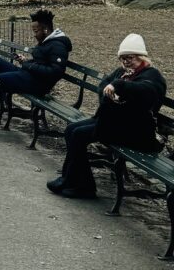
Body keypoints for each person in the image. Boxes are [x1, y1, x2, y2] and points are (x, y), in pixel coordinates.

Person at [47, 33, 167, 199]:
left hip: (136, 132)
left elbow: (147, 91)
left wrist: (119, 86)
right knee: (71, 129)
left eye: (130, 58)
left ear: (141, 57)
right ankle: (72, 179)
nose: (125, 62)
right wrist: (110, 94)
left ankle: (82, 186)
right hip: (115, 123)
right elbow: (104, 85)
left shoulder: (151, 75)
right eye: (122, 58)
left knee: (78, 135)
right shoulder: (122, 72)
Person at [0, 9, 72, 138]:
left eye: (36, 31)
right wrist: (26, 61)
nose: (34, 35)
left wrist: (29, 65)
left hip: (36, 84)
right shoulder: (48, 42)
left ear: (46, 30)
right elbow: (41, 62)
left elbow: (55, 72)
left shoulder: (58, 46)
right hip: (28, 75)